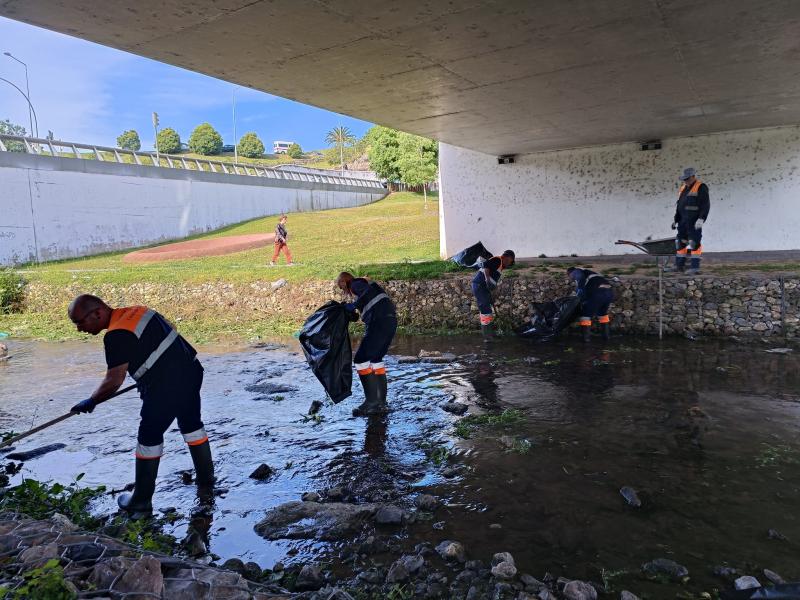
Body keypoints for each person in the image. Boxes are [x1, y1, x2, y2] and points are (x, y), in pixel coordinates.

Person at [68, 294, 213, 518]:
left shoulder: (116, 335)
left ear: (97, 313)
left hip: (167, 385)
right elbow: (162, 341)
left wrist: (92, 400)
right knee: (192, 424)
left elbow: (114, 380)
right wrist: (146, 375)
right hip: (192, 371)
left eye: (80, 323)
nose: (79, 329)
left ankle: (141, 502)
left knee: (149, 437)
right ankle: (206, 479)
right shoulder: (139, 312)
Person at [336, 272, 397, 417]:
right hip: (389, 322)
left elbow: (366, 294)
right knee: (376, 360)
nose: (343, 290)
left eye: (341, 287)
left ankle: (371, 403)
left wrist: (354, 305)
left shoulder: (356, 284)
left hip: (378, 322)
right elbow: (369, 299)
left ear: (345, 282)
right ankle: (381, 402)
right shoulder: (366, 285)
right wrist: (355, 309)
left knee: (360, 359)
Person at [670, 167, 709, 275]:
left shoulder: (701, 187)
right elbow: (679, 206)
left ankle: (695, 267)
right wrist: (675, 220)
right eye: (684, 179)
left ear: (693, 176)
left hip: (694, 222)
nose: (685, 181)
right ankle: (679, 266)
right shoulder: (684, 188)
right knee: (680, 243)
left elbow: (705, 205)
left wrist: (701, 219)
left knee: (694, 243)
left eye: (687, 178)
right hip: (682, 221)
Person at [471, 250, 515, 336]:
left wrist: (492, 288)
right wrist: (487, 280)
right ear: (505, 257)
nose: (509, 263)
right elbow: (486, 266)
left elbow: (492, 278)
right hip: (480, 285)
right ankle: (487, 336)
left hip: (484, 287)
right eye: (509, 261)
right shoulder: (498, 260)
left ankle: (489, 333)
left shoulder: (500, 265)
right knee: (485, 309)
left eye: (510, 262)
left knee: (487, 308)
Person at [567, 267, 614, 341]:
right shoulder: (591, 273)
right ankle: (606, 338)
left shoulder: (576, 271)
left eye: (569, 276)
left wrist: (579, 294)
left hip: (598, 293)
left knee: (585, 315)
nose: (570, 278)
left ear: (570, 273)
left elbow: (581, 280)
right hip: (609, 293)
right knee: (602, 314)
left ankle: (586, 340)